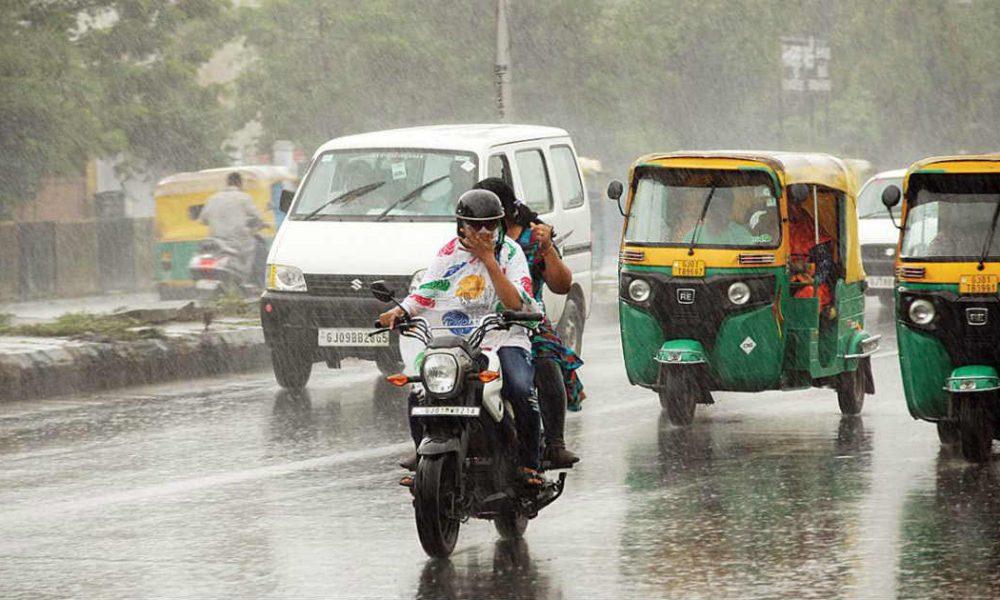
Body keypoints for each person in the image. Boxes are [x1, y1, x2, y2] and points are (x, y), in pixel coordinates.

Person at [379, 189, 544, 487]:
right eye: (474, 225)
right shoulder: (447, 253)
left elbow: (515, 302)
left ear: (500, 224)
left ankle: (530, 464)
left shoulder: (511, 253)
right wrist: (398, 311)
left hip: (503, 336)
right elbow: (426, 291)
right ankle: (423, 454)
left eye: (490, 225)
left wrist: (489, 260)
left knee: (520, 387)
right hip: (454, 341)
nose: (483, 232)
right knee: (419, 389)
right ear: (461, 225)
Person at [473, 178, 584, 469]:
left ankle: (554, 443)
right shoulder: (467, 240)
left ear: (503, 212)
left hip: (525, 320)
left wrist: (547, 249)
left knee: (546, 362)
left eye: (488, 217)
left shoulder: (529, 240)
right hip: (475, 320)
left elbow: (562, 285)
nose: (481, 227)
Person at [199, 172, 266, 281]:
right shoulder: (244, 197)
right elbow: (258, 217)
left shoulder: (213, 198)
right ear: (240, 183)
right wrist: (261, 223)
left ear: (227, 183)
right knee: (258, 249)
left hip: (216, 241)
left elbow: (203, 220)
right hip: (238, 241)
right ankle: (253, 280)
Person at [788, 199, 836, 311]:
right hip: (783, 281)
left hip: (808, 283)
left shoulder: (809, 229)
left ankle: (802, 327)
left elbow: (824, 263)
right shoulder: (773, 228)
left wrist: (813, 280)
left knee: (808, 294)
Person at [682, 188, 756, 246]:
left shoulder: (742, 236)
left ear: (729, 209)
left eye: (720, 207)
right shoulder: (691, 238)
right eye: (711, 207)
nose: (715, 212)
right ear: (705, 211)